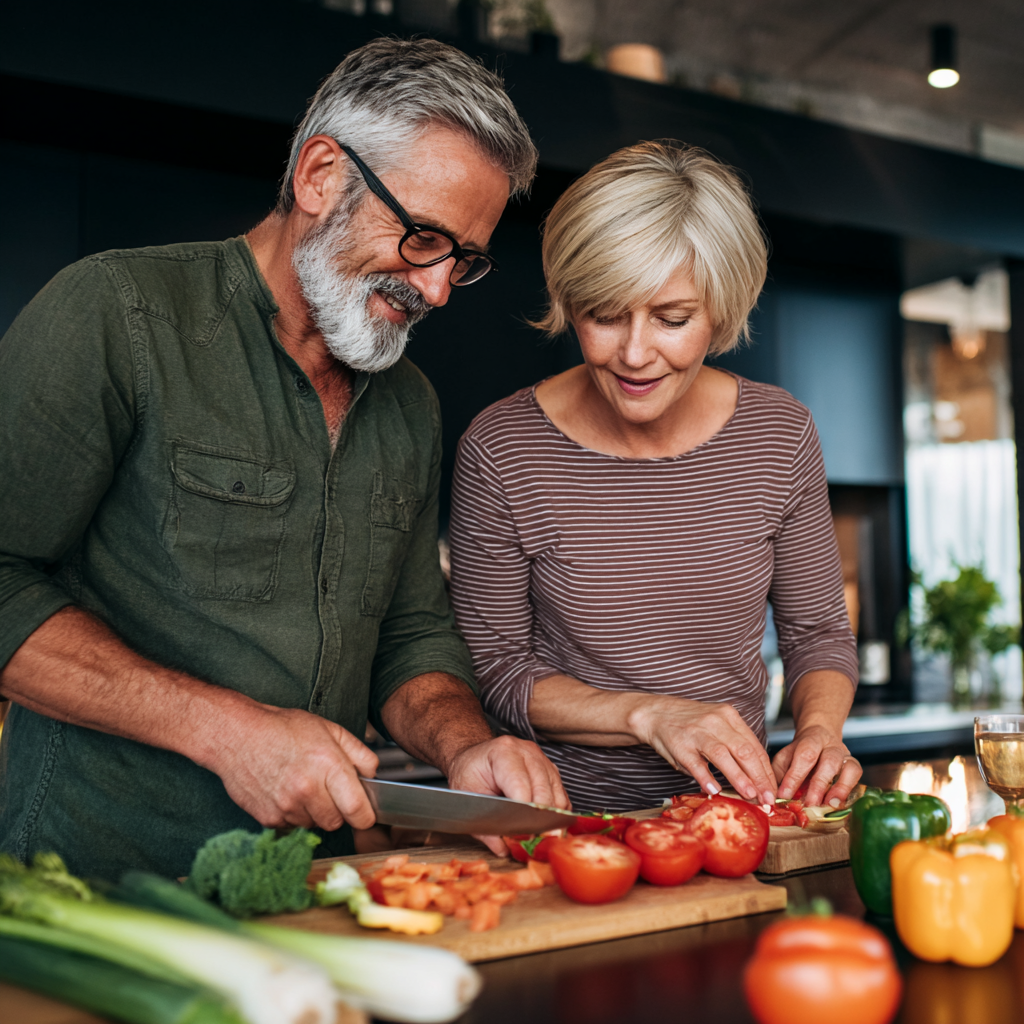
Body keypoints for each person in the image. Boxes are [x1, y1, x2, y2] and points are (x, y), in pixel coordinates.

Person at [0, 38, 567, 881]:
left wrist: (467, 745)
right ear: (320, 177)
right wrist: (228, 731)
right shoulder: (114, 314)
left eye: (465, 260)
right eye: (421, 238)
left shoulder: (409, 404)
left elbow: (409, 636)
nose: (440, 288)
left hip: (310, 889)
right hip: (94, 892)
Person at [448, 141, 863, 815]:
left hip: (735, 823)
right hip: (563, 831)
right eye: (605, 315)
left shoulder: (780, 435)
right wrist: (651, 715)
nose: (635, 354)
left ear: (720, 311)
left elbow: (817, 633)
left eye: (672, 319)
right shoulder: (503, 449)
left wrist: (819, 734)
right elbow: (497, 671)